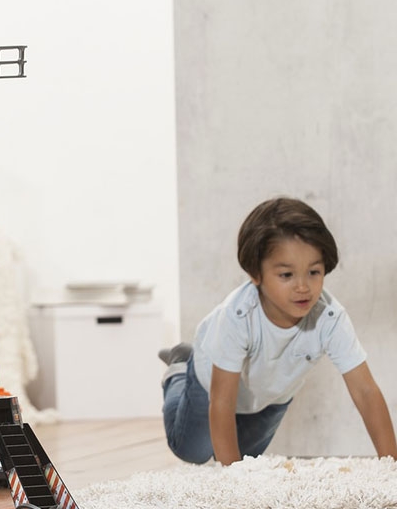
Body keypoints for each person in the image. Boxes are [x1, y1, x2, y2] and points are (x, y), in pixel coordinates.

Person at [159, 197, 397, 466]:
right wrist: (234, 481)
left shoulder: (330, 318)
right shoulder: (238, 317)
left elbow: (365, 391)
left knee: (247, 459)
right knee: (193, 451)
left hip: (271, 396)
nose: (303, 287)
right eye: (286, 275)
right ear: (255, 274)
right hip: (212, 382)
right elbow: (222, 401)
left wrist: (391, 466)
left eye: (314, 272)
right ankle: (179, 367)